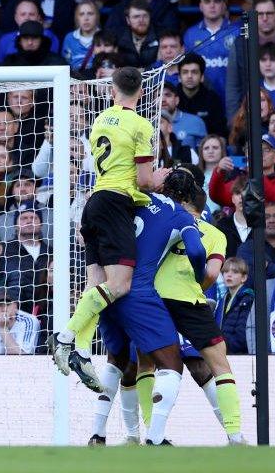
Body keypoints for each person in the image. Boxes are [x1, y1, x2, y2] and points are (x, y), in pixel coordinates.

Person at [50, 67, 168, 386]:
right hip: (116, 204)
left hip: (94, 201)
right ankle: (65, 336)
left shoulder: (100, 120)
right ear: (142, 93)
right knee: (118, 286)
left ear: (112, 90)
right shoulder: (141, 125)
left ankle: (84, 353)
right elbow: (144, 181)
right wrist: (158, 180)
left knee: (95, 285)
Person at [90, 180, 208, 446]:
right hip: (138, 293)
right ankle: (155, 438)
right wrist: (199, 276)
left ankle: (97, 433)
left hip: (107, 289)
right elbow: (197, 250)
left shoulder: (128, 199)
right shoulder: (179, 213)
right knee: (171, 364)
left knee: (116, 360)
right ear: (185, 196)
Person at [153, 166, 245, 444]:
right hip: (190, 300)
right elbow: (211, 274)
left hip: (153, 299)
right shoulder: (215, 233)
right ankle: (235, 435)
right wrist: (196, 285)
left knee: (149, 366)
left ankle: (148, 436)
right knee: (218, 364)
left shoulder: (158, 221)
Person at [176, 53, 228, 137]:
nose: (189, 76)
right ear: (179, 77)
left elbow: (220, 133)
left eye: (194, 72)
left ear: (202, 77)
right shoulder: (172, 97)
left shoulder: (212, 99)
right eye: (185, 72)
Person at [216, 257, 255, 355]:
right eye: (226, 271)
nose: (229, 275)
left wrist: (221, 347)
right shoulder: (224, 298)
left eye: (235, 272)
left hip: (239, 354)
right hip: (225, 352)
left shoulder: (248, 298)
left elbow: (243, 335)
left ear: (244, 278)